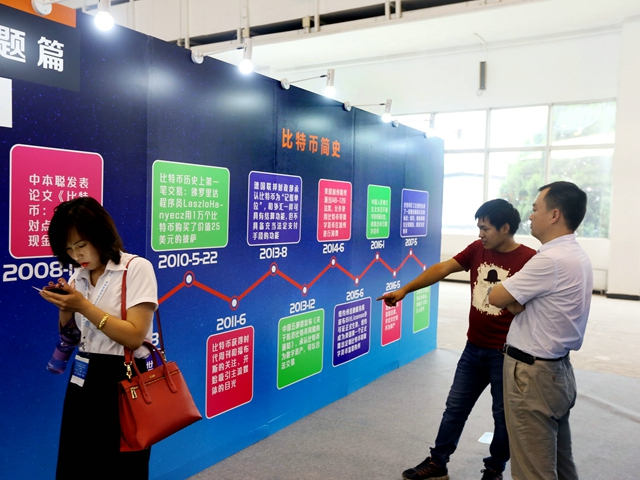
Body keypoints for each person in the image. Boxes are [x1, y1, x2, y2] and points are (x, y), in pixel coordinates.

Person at [377, 199, 536, 480]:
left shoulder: (529, 259)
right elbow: (443, 268)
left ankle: (494, 469)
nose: (480, 234)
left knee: (503, 418)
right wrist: (406, 290)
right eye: (479, 228)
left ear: (505, 228)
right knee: (455, 409)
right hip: (473, 348)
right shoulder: (477, 249)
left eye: (485, 228)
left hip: (506, 354)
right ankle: (438, 463)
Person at [39, 196, 158, 479]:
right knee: (77, 461)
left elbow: (134, 336)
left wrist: (83, 306)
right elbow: (74, 336)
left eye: (81, 245)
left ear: (101, 235)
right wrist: (65, 308)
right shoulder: (79, 275)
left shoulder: (136, 268)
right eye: (68, 248)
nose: (76, 255)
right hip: (83, 375)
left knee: (121, 465)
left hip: (124, 375)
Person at [488, 181, 592, 480]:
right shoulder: (576, 255)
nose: (531, 216)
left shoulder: (549, 260)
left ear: (554, 214)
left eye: (535, 209)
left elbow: (496, 297)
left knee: (532, 470)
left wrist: (512, 298)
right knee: (560, 463)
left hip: (532, 377)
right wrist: (516, 300)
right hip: (556, 372)